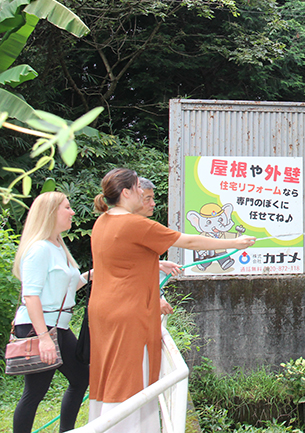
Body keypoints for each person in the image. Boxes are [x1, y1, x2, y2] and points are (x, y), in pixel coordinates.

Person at [88, 168, 256, 432]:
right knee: (130, 377)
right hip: (128, 311)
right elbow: (188, 241)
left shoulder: (103, 221)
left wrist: (155, 262)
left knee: (110, 373)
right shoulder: (135, 224)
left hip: (103, 308)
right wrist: (235, 242)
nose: (144, 195)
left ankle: (102, 425)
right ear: (126, 193)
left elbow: (123, 258)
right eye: (137, 188)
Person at [12, 192, 89, 433]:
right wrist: (44, 337)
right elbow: (30, 295)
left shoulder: (59, 247)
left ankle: (67, 430)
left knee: (80, 379)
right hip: (38, 328)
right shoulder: (39, 249)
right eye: (67, 207)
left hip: (59, 328)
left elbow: (71, 284)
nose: (72, 212)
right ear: (51, 212)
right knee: (35, 392)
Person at [136, 176, 174, 315]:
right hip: (136, 306)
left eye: (153, 198)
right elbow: (129, 274)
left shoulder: (138, 225)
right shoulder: (134, 226)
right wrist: (155, 298)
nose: (153, 204)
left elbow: (133, 263)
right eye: (148, 199)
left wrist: (158, 264)